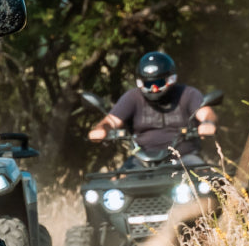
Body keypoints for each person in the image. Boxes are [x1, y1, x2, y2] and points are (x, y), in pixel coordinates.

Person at [87, 51, 216, 164]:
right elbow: (111, 121)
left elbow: (205, 113)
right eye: (148, 84)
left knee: (207, 182)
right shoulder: (133, 97)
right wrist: (102, 129)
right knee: (117, 186)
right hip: (141, 161)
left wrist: (207, 123)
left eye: (158, 83)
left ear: (171, 79)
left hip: (184, 159)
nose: (153, 89)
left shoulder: (187, 93)